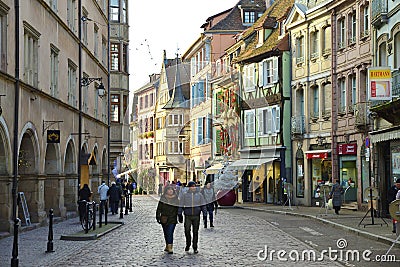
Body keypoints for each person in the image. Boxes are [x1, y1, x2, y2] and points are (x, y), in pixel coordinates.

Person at [178, 181, 207, 254]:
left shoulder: (199, 195)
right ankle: (188, 244)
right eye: (191, 186)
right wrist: (179, 214)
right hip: (187, 215)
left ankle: (195, 247)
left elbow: (203, 205)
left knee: (195, 231)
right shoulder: (185, 195)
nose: (193, 187)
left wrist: (205, 214)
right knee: (187, 230)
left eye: (194, 186)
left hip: (196, 215)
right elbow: (181, 204)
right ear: (189, 187)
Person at [156, 185, 179, 254]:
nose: (170, 191)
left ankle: (170, 247)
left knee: (170, 232)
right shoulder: (163, 198)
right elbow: (159, 208)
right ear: (166, 191)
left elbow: (179, 208)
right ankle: (167, 245)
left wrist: (179, 215)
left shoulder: (176, 199)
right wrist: (158, 216)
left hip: (172, 218)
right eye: (169, 190)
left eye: (171, 190)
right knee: (166, 232)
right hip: (164, 218)